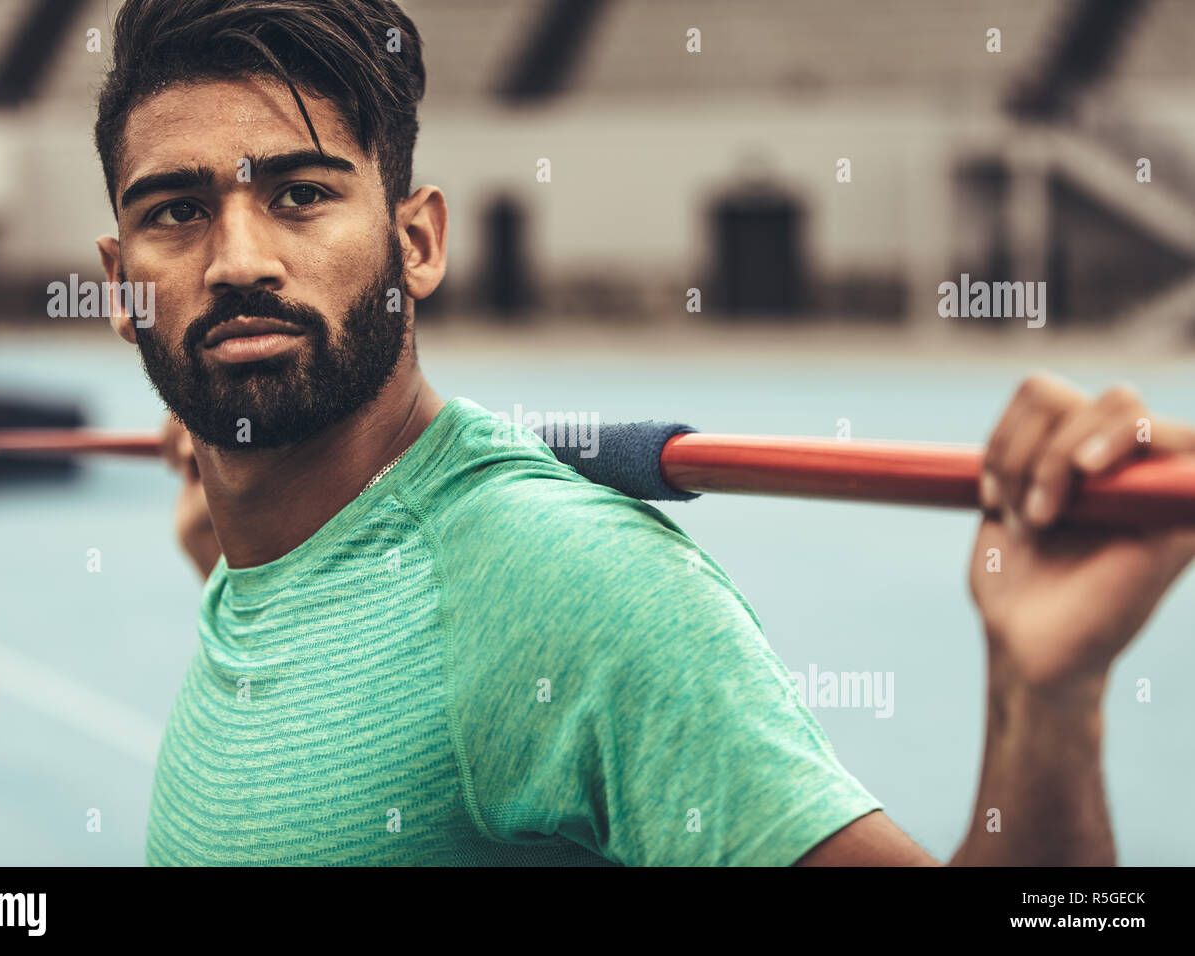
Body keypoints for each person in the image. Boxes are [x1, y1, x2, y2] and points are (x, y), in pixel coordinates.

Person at [93, 0, 1195, 865]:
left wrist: (1044, 699)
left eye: (299, 194)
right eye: (176, 211)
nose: (238, 260)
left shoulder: (560, 580)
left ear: (417, 242)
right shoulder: (263, 557)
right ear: (118, 286)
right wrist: (248, 561)